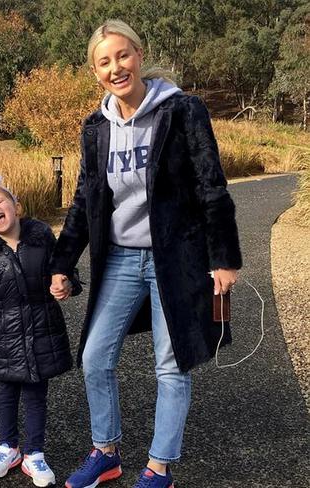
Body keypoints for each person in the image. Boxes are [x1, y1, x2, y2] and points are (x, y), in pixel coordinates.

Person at [49, 19, 242, 488]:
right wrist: (62, 262)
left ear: (139, 54)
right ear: (95, 71)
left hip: (175, 259)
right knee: (95, 357)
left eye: (123, 55)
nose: (116, 67)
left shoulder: (182, 111)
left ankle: (159, 468)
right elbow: (85, 200)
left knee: (170, 362)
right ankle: (106, 451)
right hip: (119, 260)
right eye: (104, 61)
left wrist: (224, 258)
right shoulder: (95, 127)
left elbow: (210, 185)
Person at [0, 175, 77, 488]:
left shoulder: (42, 240)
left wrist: (66, 284)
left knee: (36, 395)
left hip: (42, 329)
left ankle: (35, 453)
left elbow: (65, 270)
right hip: (4, 337)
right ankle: (8, 447)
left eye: (0, 201)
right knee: (6, 395)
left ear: (17, 207)